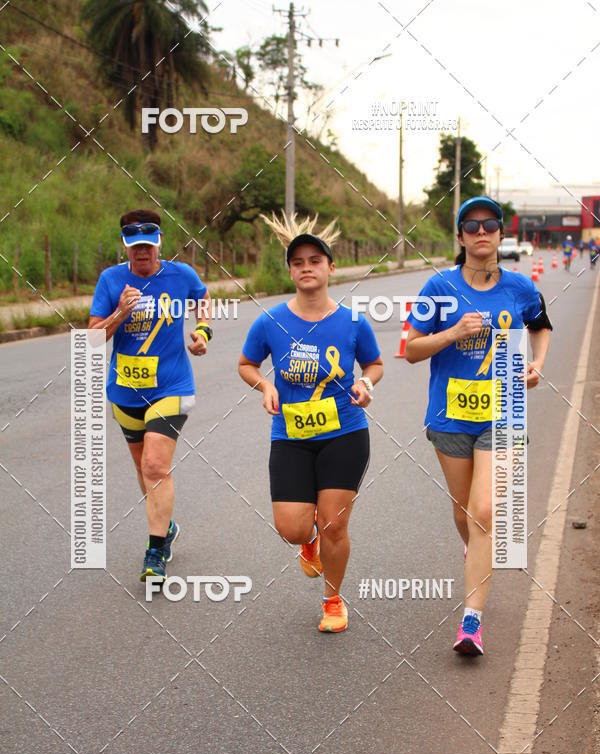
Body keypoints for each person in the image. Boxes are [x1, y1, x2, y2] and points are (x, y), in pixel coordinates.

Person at [404, 196, 552, 656]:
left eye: (490, 225)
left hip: (503, 411)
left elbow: (541, 324)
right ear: (460, 235)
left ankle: (472, 622)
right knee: (463, 511)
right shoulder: (438, 287)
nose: (481, 232)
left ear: (501, 233)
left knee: (483, 512)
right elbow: (410, 349)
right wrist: (452, 333)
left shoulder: (520, 288)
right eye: (471, 225)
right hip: (450, 416)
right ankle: (477, 553)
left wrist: (538, 363)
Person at [238, 212, 383, 633]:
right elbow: (247, 363)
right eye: (298, 262)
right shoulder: (270, 322)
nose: (306, 268)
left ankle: (333, 600)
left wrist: (366, 382)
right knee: (292, 527)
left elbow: (374, 364)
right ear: (290, 270)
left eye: (314, 260)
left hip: (345, 433)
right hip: (291, 436)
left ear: (330, 268)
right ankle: (308, 543)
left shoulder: (353, 322)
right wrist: (265, 386)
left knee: (334, 523)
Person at [88, 209, 212, 581]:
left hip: (172, 387)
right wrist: (120, 313)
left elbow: (203, 299)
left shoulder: (181, 275)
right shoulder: (111, 281)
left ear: (158, 242)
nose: (141, 253)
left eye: (147, 245)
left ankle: (155, 552)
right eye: (134, 246)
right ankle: (167, 526)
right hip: (125, 392)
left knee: (156, 466)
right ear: (125, 246)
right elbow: (92, 338)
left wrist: (203, 332)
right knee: (144, 470)